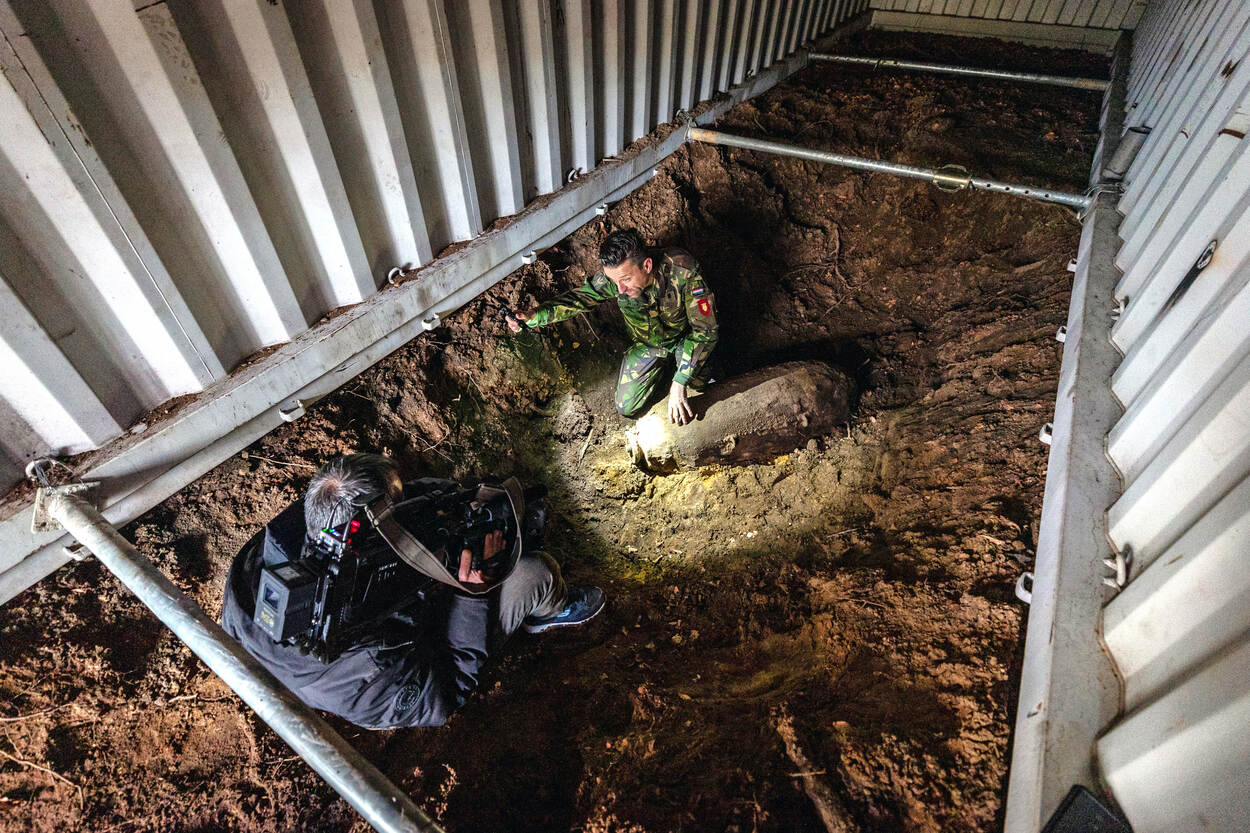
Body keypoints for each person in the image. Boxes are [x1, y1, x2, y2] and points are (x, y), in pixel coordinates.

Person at [221, 453, 604, 729]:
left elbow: (396, 510)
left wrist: (456, 503)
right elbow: (449, 691)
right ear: (375, 545)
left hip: (364, 633)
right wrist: (473, 592)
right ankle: (548, 612)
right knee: (537, 574)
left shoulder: (294, 540)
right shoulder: (368, 674)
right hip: (385, 681)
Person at [508, 229, 719, 425]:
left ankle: (691, 374)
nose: (620, 289)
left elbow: (705, 330)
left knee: (700, 385)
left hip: (685, 340)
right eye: (614, 282)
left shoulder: (683, 271)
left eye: (626, 280)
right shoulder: (617, 278)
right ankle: (663, 373)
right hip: (649, 345)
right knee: (627, 406)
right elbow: (579, 299)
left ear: (646, 266)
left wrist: (680, 382)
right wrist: (533, 317)